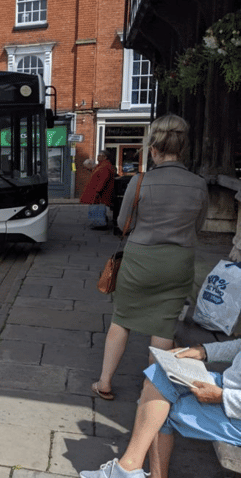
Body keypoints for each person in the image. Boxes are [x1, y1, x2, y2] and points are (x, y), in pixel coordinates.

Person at [91, 114, 209, 401]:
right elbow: (199, 226)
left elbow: (122, 224)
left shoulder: (140, 181)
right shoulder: (198, 184)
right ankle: (152, 391)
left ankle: (105, 382)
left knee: (122, 319)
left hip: (140, 260)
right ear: (183, 149)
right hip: (178, 262)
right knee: (163, 325)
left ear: (153, 149)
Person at [81, 341, 241, 478]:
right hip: (228, 387)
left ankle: (127, 470)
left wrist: (222, 396)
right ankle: (128, 468)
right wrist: (204, 350)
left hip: (233, 405)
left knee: (157, 405)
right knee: (158, 375)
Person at [80, 151, 115, 229]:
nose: (97, 157)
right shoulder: (102, 165)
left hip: (100, 193)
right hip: (97, 191)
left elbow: (103, 180)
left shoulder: (105, 166)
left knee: (98, 207)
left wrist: (98, 191)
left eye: (100, 155)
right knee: (99, 208)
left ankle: (100, 224)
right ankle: (99, 223)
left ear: (105, 157)